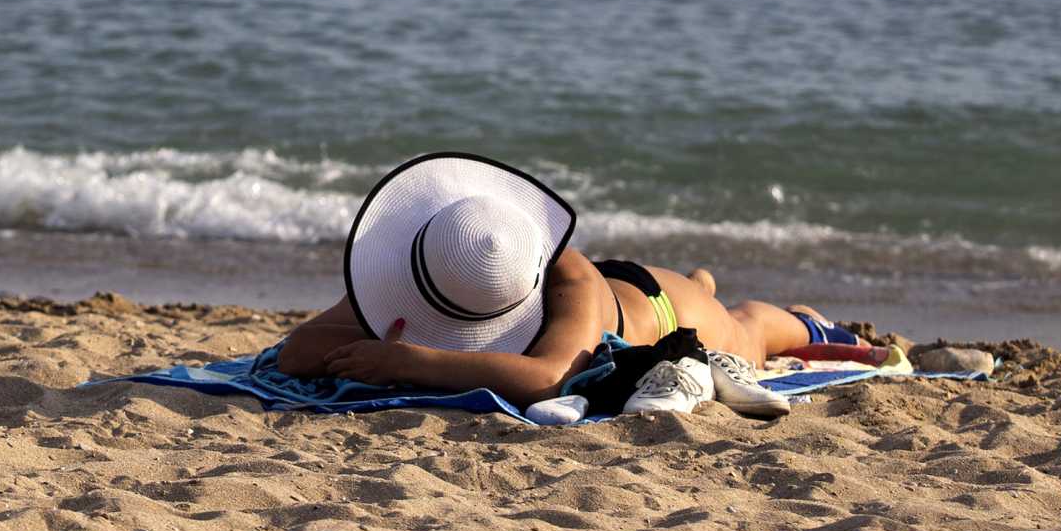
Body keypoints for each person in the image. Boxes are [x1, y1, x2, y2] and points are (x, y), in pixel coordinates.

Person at [272, 151, 853, 409]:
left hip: (657, 306)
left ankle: (808, 321)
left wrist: (409, 362)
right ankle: (704, 281)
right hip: (615, 291)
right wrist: (371, 345)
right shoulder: (426, 269)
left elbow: (548, 376)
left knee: (745, 330)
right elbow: (296, 353)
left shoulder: (564, 276)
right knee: (711, 296)